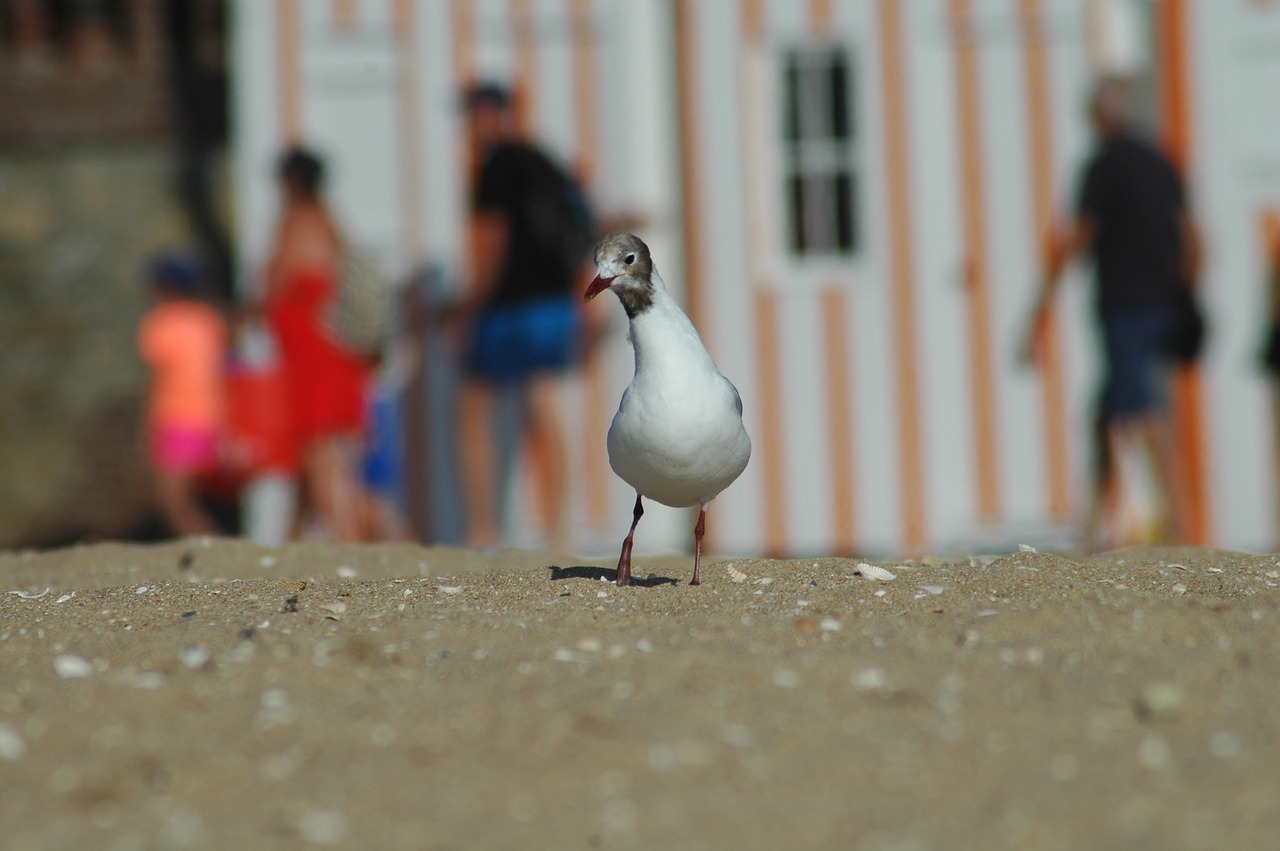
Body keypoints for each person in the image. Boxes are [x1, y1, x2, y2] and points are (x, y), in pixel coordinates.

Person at [1026, 76, 1202, 551]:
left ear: (1100, 116)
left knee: (1139, 408)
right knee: (1109, 409)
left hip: (1123, 306)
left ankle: (1177, 521)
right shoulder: (1161, 161)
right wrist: (1187, 298)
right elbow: (1192, 238)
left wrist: (1038, 310)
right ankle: (1092, 525)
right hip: (1162, 303)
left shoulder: (1102, 167)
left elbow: (1079, 237)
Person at [452, 83, 591, 550]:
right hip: (553, 303)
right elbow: (582, 228)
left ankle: (482, 528)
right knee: (543, 407)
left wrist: (471, 303)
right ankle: (559, 528)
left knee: (473, 408)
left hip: (509, 304)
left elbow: (494, 238)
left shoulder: (493, 165)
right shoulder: (546, 160)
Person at [261, 147, 373, 542]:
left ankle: (347, 541)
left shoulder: (295, 222)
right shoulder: (330, 221)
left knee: (321, 454)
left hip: (313, 356)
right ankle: (324, 536)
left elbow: (275, 283)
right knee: (332, 456)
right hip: (336, 353)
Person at [137, 253, 228, 536]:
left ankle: (212, 549)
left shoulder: (162, 323)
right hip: (211, 417)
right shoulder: (208, 319)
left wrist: (145, 426)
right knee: (192, 496)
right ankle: (209, 547)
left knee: (172, 499)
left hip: (177, 417)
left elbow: (156, 378)